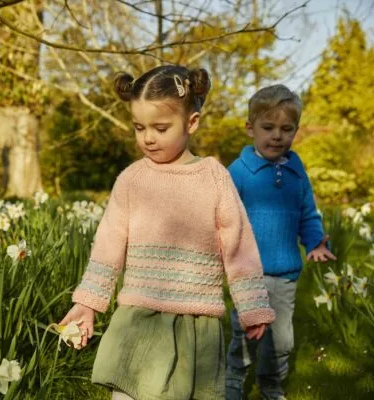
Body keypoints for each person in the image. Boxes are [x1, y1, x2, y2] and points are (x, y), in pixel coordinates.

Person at [59, 64, 276, 400]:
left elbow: (238, 246)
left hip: (194, 321)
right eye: (139, 127)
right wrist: (88, 303)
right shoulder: (132, 180)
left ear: (191, 122)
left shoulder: (214, 178)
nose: (147, 137)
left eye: (160, 127)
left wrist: (251, 306)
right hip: (139, 317)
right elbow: (108, 242)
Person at [225, 84, 336, 400]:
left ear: (295, 131)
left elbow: (307, 211)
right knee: (246, 334)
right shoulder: (240, 172)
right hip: (249, 274)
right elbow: (226, 217)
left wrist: (315, 242)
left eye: (286, 129)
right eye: (268, 127)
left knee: (282, 340)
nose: (277, 136)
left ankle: (271, 384)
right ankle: (234, 379)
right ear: (251, 128)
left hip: (285, 273)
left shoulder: (297, 172)